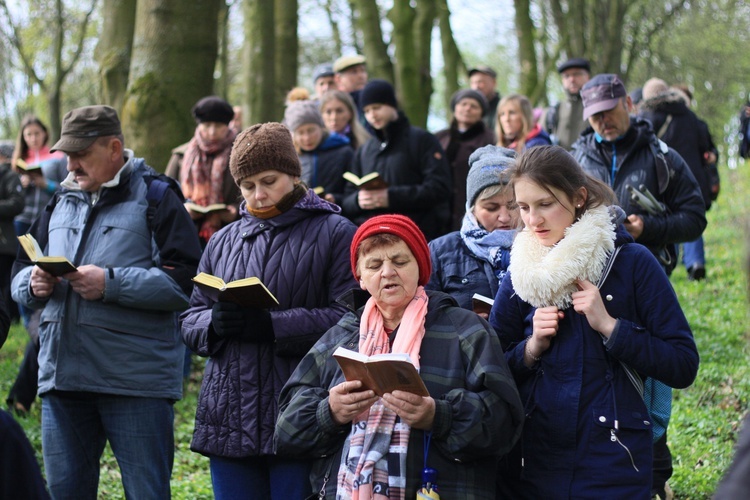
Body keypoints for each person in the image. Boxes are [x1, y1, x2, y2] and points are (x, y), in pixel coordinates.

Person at [10, 105, 202, 498]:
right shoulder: (59, 199)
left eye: (81, 153)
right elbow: (18, 266)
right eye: (67, 153)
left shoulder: (158, 195)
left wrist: (111, 284)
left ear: (114, 148)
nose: (71, 163)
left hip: (135, 386)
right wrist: (31, 284)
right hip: (61, 381)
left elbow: (187, 284)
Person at [490, 145, 699, 498]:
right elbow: (490, 365)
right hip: (532, 463)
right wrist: (530, 349)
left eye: (545, 204)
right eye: (523, 207)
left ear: (579, 197)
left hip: (614, 463)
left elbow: (682, 364)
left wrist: (611, 328)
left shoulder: (632, 263)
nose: (533, 220)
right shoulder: (521, 272)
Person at [275, 214, 524, 498]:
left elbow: (505, 424)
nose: (388, 272)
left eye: (400, 262)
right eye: (374, 265)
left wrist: (438, 415)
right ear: (361, 278)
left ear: (421, 269)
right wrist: (329, 413)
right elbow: (285, 432)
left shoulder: (465, 330)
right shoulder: (338, 337)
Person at [180, 122, 357, 499]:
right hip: (228, 415)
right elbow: (190, 317)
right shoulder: (223, 240)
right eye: (247, 186)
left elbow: (351, 320)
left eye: (269, 181)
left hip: (300, 412)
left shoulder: (335, 231)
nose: (258, 195)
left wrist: (272, 326)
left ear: (294, 175)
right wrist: (213, 323)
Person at [571, 73, 707, 276]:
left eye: (608, 110)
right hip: (589, 281)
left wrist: (647, 228)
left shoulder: (662, 157)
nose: (603, 120)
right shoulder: (574, 162)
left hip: (648, 278)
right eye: (595, 114)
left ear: (628, 103)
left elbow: (695, 220)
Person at [340, 79, 452, 240]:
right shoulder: (364, 150)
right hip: (375, 239)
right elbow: (347, 198)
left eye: (377, 107)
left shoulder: (422, 140)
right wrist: (358, 200)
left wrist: (390, 197)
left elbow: (440, 188)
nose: (372, 115)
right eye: (367, 110)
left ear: (392, 105)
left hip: (418, 235)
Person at [427, 145, 517, 312]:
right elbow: (425, 314)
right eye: (491, 208)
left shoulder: (542, 245)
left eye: (513, 206)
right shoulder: (439, 251)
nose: (505, 217)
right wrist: (466, 326)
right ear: (472, 208)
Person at [639, 79, 714, 281]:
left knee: (665, 220)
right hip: (692, 174)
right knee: (689, 214)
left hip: (661, 177)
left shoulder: (646, 116)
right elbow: (704, 144)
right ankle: (695, 262)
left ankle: (666, 262)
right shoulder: (689, 115)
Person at [165, 95, 240, 247]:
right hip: (186, 233)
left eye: (218, 126)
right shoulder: (181, 155)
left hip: (230, 235)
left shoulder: (241, 153)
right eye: (207, 126)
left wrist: (236, 210)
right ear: (199, 126)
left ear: (228, 125)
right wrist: (182, 208)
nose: (212, 132)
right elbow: (166, 194)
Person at [435, 89, 495, 230]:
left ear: (481, 113)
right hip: (439, 214)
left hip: (473, 212)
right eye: (463, 104)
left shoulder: (491, 139)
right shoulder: (438, 138)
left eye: (474, 106)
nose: (467, 108)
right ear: (455, 108)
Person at [283, 92, 354, 204]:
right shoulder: (290, 158)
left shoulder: (343, 152)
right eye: (300, 133)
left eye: (311, 130)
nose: (307, 138)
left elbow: (352, 193)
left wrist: (336, 199)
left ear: (321, 128)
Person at [543, 57, 591, 150]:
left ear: (587, 77)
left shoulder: (597, 107)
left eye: (577, 74)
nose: (572, 79)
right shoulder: (552, 111)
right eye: (567, 76)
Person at [0, 144, 23, 322]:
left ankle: (10, 317)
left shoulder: (10, 176)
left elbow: (17, 203)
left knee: (6, 283)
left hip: (5, 241)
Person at [333, 54, 368, 118]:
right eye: (354, 72)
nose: (361, 76)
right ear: (338, 79)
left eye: (363, 71)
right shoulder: (334, 103)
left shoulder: (372, 99)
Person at [468, 65, 501, 131]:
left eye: (480, 82)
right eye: (473, 83)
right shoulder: (466, 109)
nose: (476, 87)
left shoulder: (503, 107)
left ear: (494, 83)